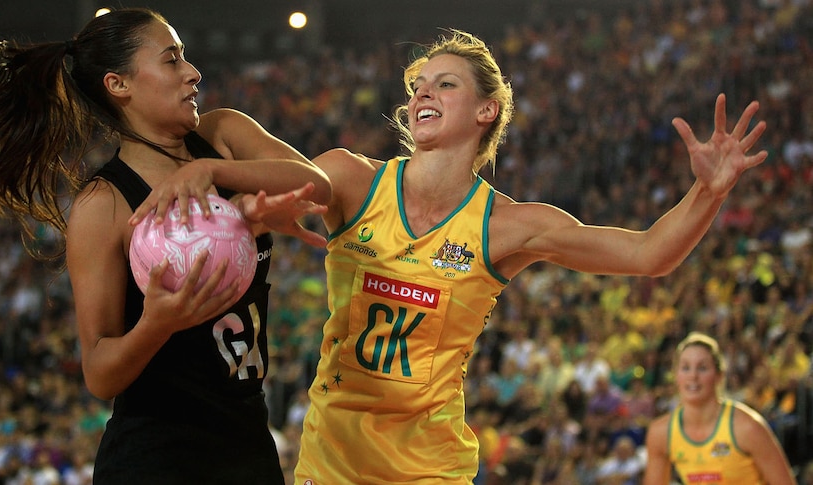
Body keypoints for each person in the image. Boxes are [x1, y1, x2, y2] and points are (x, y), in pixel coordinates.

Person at [121, 29, 769, 483]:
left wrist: (707, 193)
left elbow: (650, 253)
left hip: (430, 469)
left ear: (486, 110)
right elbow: (295, 180)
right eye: (418, 84)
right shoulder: (351, 177)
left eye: (445, 83)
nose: (421, 93)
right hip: (332, 461)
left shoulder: (506, 225)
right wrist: (212, 168)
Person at [0, 7, 330, 485]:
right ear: (119, 84)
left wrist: (212, 173)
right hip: (156, 455)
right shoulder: (104, 203)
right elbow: (100, 373)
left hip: (249, 439)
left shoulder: (223, 137)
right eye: (171, 60)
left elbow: (319, 187)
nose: (193, 73)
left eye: (185, 58)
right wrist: (157, 323)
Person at [643, 332, 796, 485]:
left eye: (702, 368)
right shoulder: (661, 432)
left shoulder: (747, 427)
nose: (693, 376)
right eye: (685, 368)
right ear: (675, 375)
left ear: (719, 375)